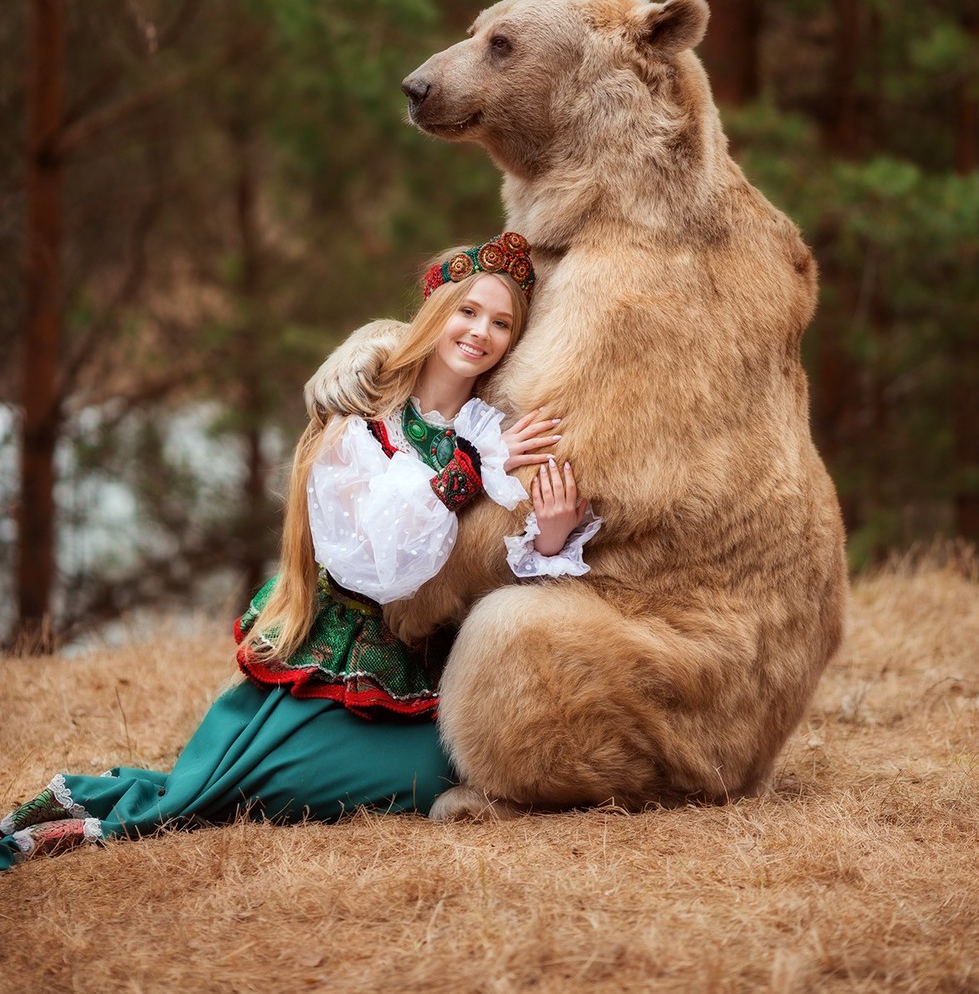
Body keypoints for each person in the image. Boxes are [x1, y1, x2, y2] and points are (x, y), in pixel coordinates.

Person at [1, 231, 600, 869]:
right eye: (468, 311)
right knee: (227, 797)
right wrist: (476, 466)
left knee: (462, 764)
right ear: (434, 313)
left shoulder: (491, 431)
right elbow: (380, 560)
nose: (481, 333)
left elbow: (483, 574)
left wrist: (553, 534)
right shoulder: (365, 424)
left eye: (503, 323)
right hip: (336, 661)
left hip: (433, 674)